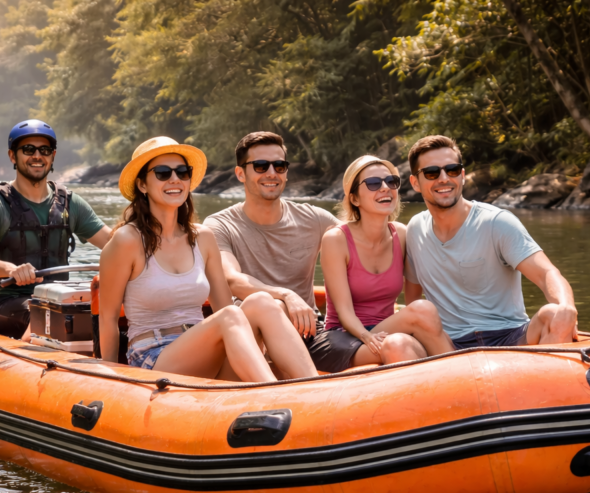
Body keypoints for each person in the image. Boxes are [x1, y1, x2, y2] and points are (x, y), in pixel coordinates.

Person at [98, 137, 316, 381]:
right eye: (162, 173)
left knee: (262, 302)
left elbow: (224, 307)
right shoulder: (126, 240)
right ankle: (273, 393)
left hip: (206, 352)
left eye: (182, 172)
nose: (175, 180)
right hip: (154, 358)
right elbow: (107, 319)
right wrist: (110, 378)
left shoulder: (202, 237)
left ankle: (313, 389)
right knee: (231, 316)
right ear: (142, 185)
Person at [404, 135, 578, 347]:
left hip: (510, 336)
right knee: (399, 344)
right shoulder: (415, 229)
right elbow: (413, 297)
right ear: (415, 182)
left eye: (452, 170)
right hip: (448, 345)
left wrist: (566, 306)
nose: (443, 179)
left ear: (463, 176)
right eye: (432, 172)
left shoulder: (497, 223)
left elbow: (546, 274)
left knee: (553, 313)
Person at [0, 119, 112, 339]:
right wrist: (10, 269)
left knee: (97, 314)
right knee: (46, 314)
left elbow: (115, 244)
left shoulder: (70, 204)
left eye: (44, 150)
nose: (37, 156)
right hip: (7, 302)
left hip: (61, 299)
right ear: (12, 156)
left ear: (52, 156)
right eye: (28, 149)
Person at [310, 155, 454, 372]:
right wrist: (367, 336)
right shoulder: (336, 240)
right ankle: (461, 372)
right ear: (355, 199)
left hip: (387, 329)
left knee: (411, 328)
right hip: (343, 335)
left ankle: (461, 379)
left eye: (391, 182)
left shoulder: (402, 234)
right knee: (403, 335)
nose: (385, 188)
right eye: (374, 184)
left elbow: (419, 292)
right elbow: (344, 312)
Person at [204, 132, 337, 356]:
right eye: (260, 166)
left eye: (279, 166)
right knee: (275, 306)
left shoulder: (316, 219)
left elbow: (357, 245)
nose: (271, 173)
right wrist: (286, 294)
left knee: (381, 352)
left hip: (309, 332)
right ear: (240, 173)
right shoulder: (220, 224)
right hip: (251, 338)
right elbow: (231, 279)